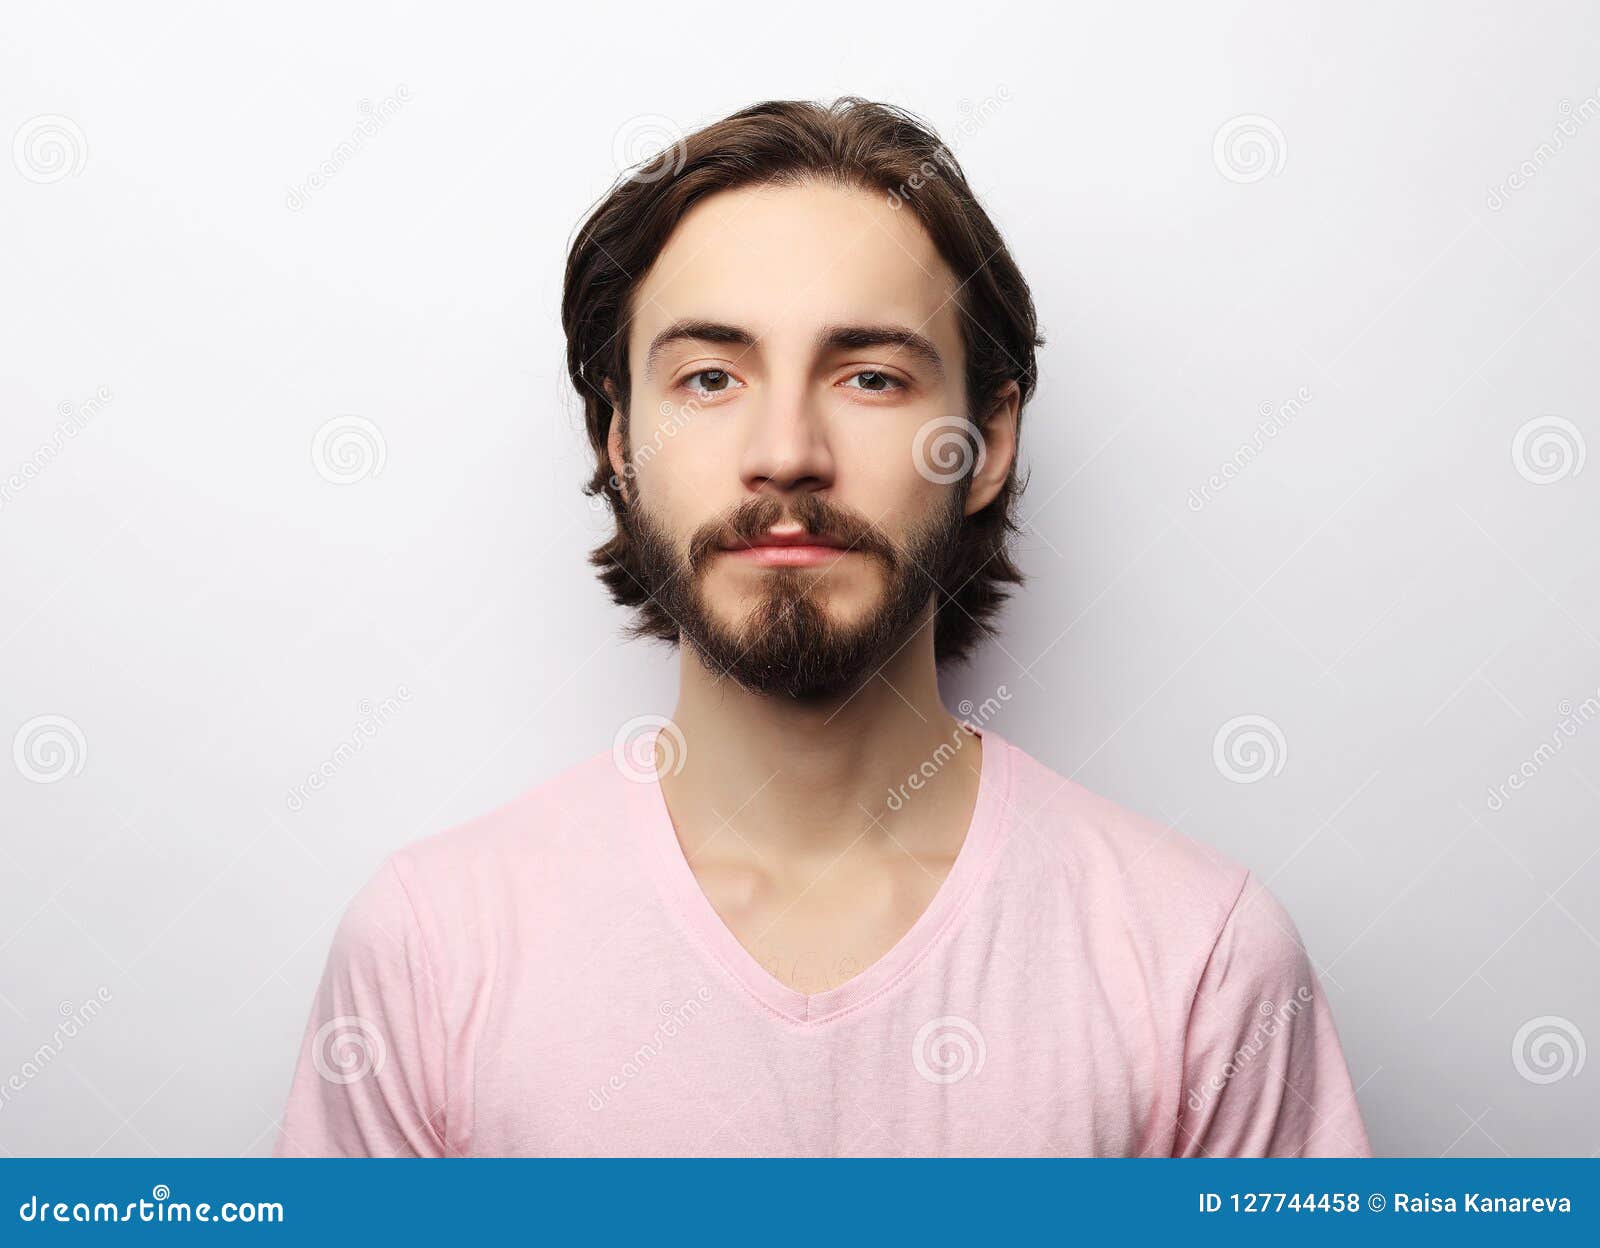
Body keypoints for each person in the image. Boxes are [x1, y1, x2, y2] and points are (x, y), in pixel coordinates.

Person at [273, 98, 1371, 1158]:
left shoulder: (1200, 962)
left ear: (984, 440)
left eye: (870, 377)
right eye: (709, 377)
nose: (787, 449)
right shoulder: (427, 952)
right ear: (617, 439)